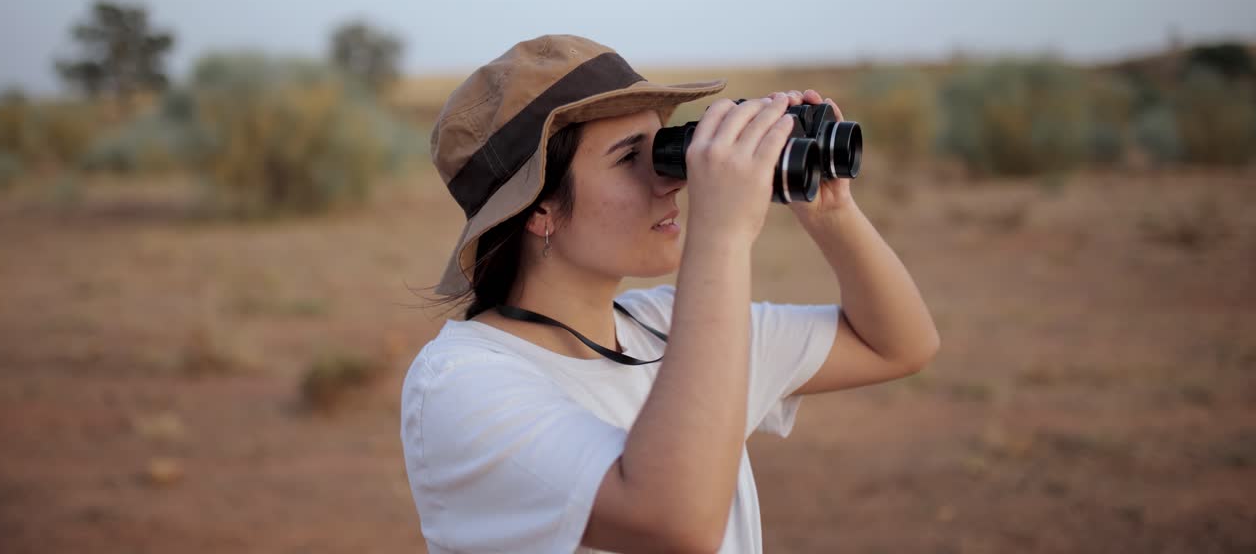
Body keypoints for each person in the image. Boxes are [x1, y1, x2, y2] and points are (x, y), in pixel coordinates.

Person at [401, 34, 939, 553]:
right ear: (538, 208)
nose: (673, 182)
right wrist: (721, 234)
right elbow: (677, 522)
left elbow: (898, 344)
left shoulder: (666, 324)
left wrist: (830, 211)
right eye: (628, 158)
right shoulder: (460, 384)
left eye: (664, 151)